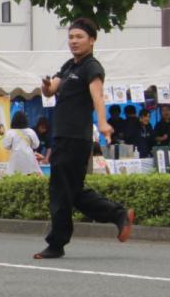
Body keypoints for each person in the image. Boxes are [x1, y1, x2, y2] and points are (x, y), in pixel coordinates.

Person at [34, 19, 134, 260]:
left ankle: (56, 244)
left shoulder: (92, 67)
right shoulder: (69, 66)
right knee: (73, 191)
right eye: (71, 37)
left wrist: (103, 123)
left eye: (79, 37)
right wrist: (46, 86)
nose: (74, 41)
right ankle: (118, 214)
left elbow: (98, 97)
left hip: (75, 137)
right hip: (63, 136)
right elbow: (51, 90)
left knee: (60, 191)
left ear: (92, 40)